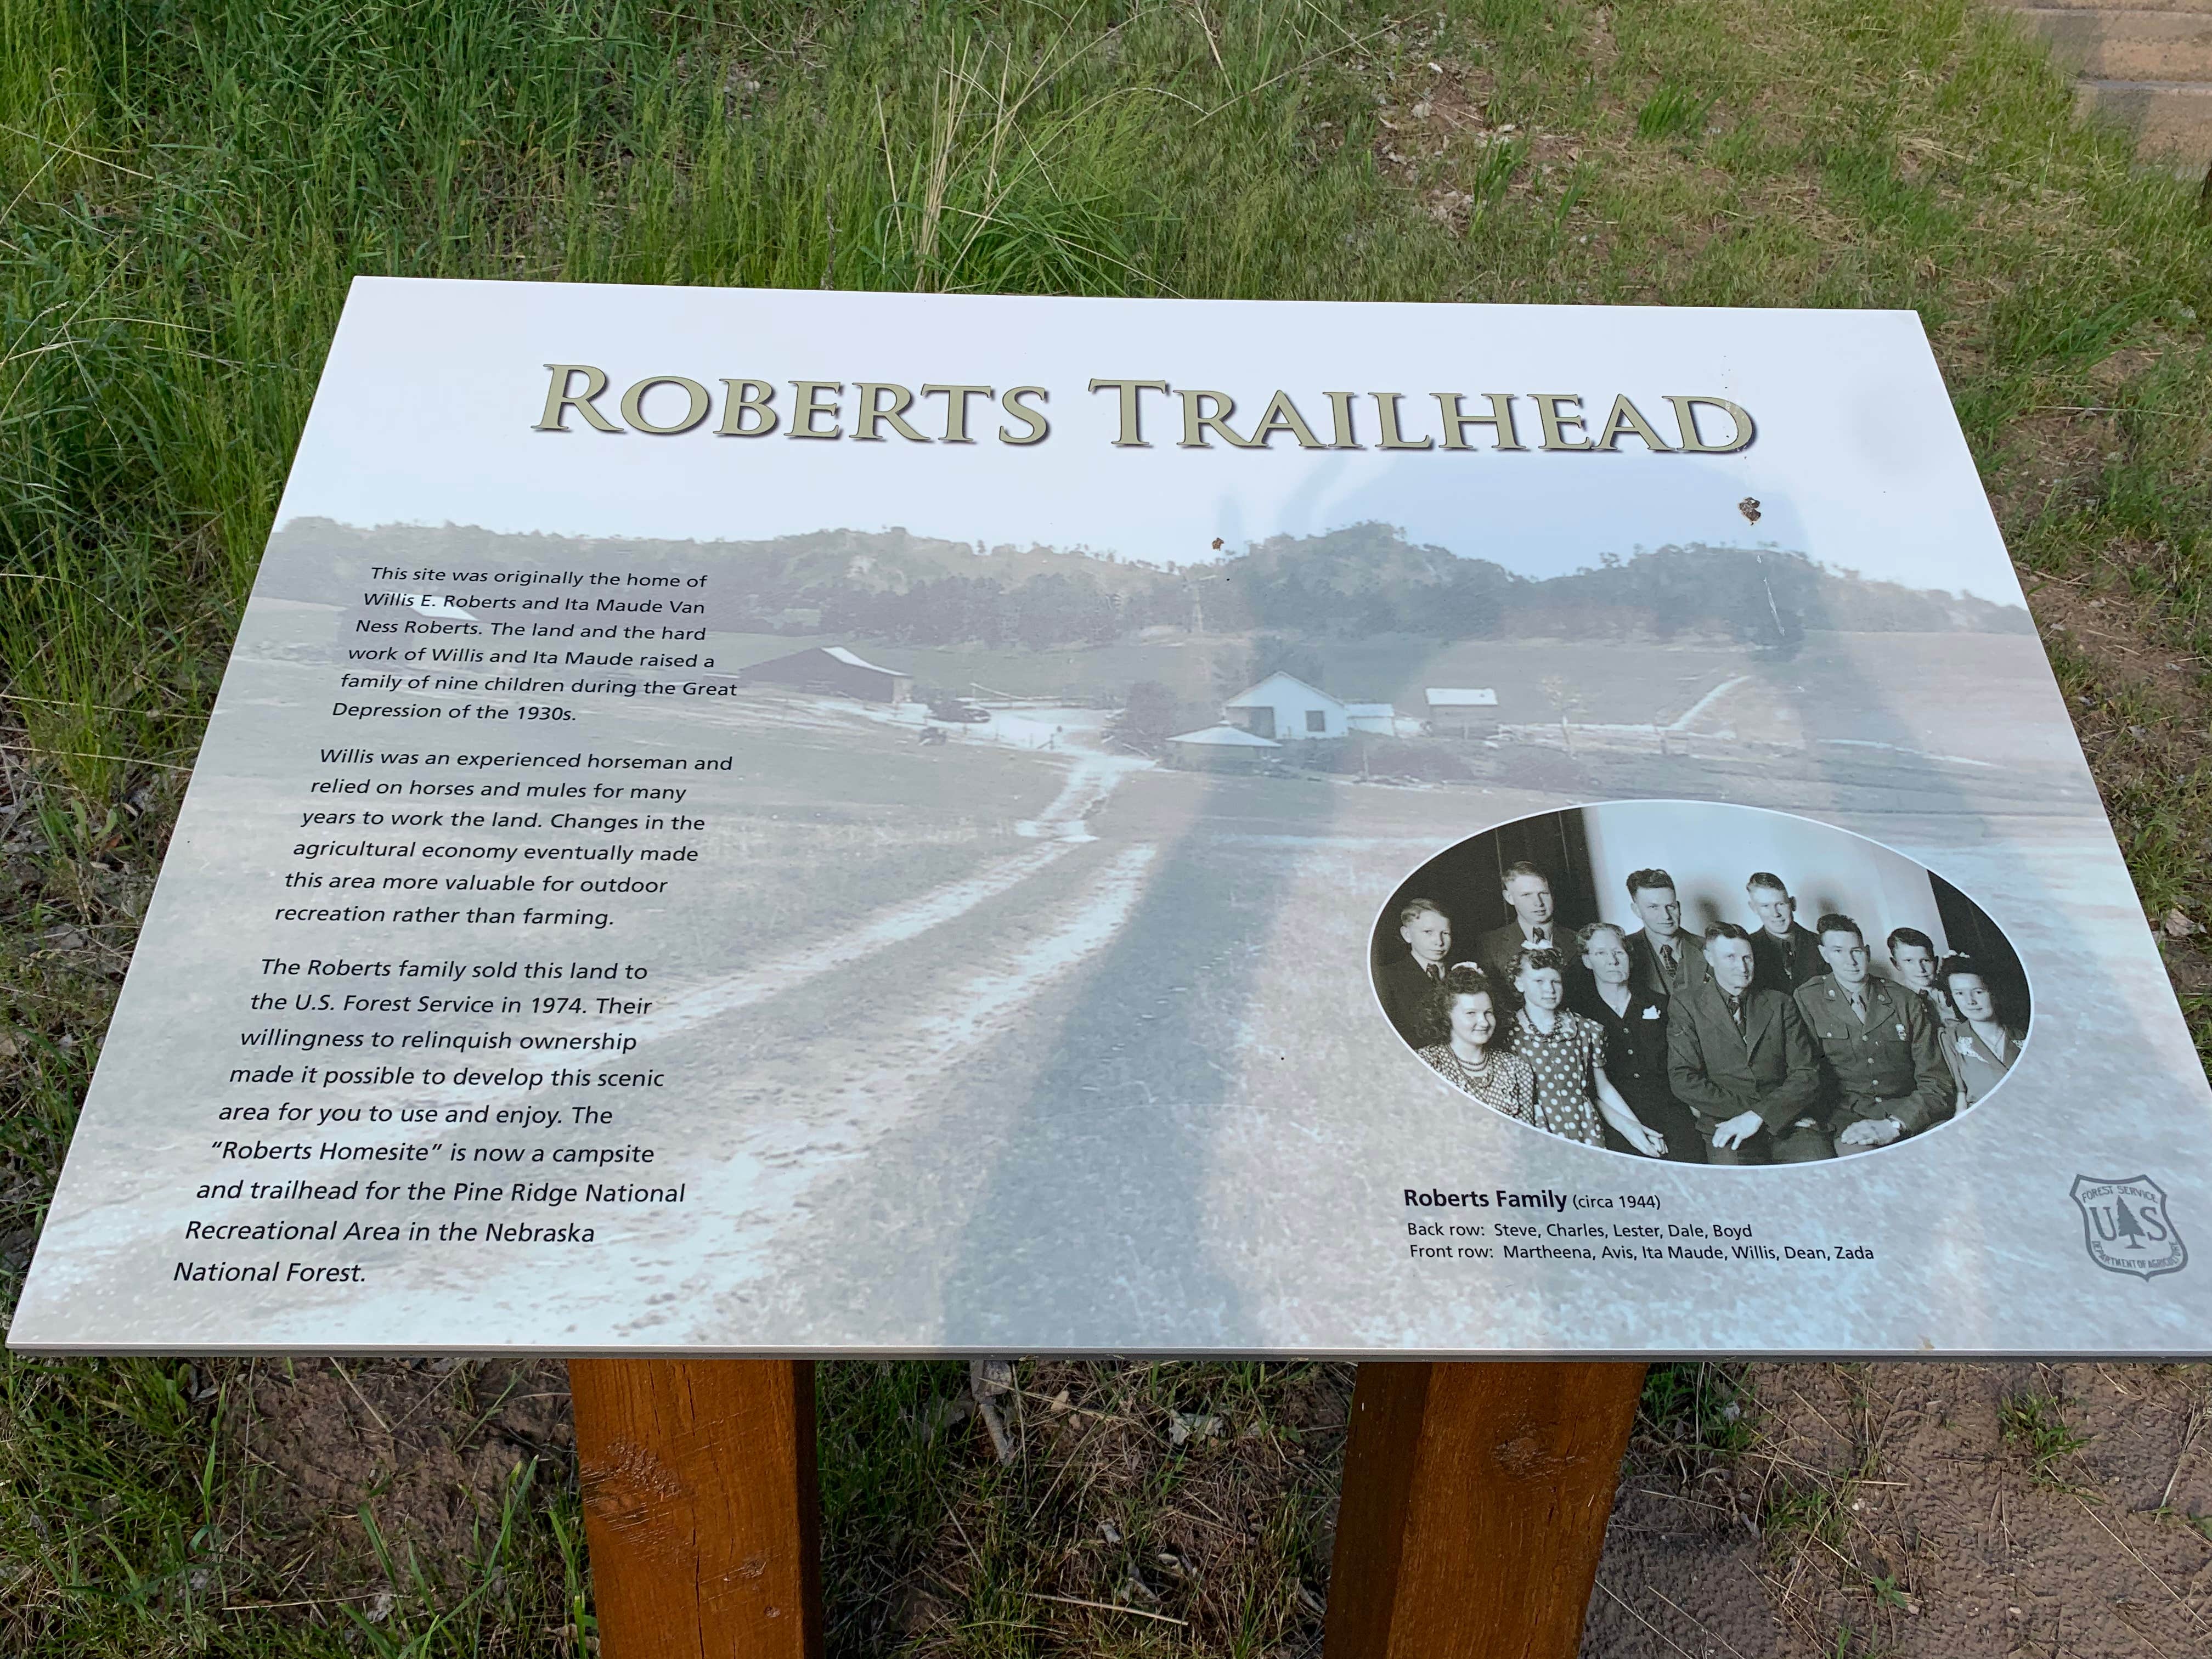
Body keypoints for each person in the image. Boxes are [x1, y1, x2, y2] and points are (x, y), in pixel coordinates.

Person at [1667, 922, 1830, 1164]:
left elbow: (1806, 1073)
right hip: (1727, 1124)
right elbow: (1683, 1079)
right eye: (1730, 957)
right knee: (1738, 1190)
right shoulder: (1687, 1005)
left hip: (1788, 1126)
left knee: (1820, 1173)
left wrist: (1761, 1116)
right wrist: (1760, 1113)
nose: (1742, 967)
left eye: (1747, 958)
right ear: (1710, 958)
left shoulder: (1780, 1003)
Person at [1793, 914, 1954, 1151]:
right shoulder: (1808, 999)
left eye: (1856, 951)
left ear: (1867, 952)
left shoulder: (1904, 999)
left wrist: (1896, 1124)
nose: (1851, 961)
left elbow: (1936, 1079)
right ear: (1824, 954)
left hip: (1910, 1112)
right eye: (1838, 951)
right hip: (1850, 1119)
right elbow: (1804, 1071)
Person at [1510, 946, 1668, 1155]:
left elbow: (1603, 1089)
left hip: (1584, 1129)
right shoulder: (1510, 1033)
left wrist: (1636, 1128)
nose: (1550, 989)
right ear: (1520, 983)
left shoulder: (1584, 1029)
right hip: (1535, 1130)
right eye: (1539, 981)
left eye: (1555, 981)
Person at [1571, 922, 1705, 1163]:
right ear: (1587, 961)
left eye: (1618, 952)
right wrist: (1630, 1127)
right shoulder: (1580, 1016)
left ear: (1629, 958)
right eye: (1601, 953)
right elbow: (1591, 1088)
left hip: (1672, 1113)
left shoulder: (1663, 1005)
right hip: (1617, 1119)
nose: (1612, 960)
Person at [1414, 966, 1538, 1124]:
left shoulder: (1516, 1068)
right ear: (1446, 1015)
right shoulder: (1427, 1064)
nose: (1484, 1022)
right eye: (1471, 1013)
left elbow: (1526, 1136)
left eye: (1488, 1013)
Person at [1938, 956, 2025, 1111]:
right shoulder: (1951, 1039)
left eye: (1978, 992)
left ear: (1993, 992)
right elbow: (1961, 1099)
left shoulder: (2023, 1037)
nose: (1970, 1001)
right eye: (1959, 994)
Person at [1377, 898, 1454, 1046]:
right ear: (1407, 935)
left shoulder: (1463, 971)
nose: (1439, 942)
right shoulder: (1386, 978)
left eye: (1445, 933)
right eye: (1428, 932)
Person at [1622, 867, 1706, 1000]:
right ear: (1637, 910)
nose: (1666, 916)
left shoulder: (1708, 947)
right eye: (1654, 907)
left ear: (1678, 907)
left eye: (1671, 906)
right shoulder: (1623, 952)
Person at [1476, 861, 1565, 982]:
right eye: (1527, 895)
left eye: (1544, 894)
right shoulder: (1490, 945)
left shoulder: (1577, 940)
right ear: (1509, 898)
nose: (1538, 903)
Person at [1745, 871, 1824, 994]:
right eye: (1765, 906)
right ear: (1754, 908)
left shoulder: (1822, 944)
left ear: (1793, 904)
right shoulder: (1747, 949)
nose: (1775, 914)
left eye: (1781, 904)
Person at [1885, 927, 1955, 1028]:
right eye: (1909, 961)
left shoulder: (1953, 990)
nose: (1920, 969)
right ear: (1896, 964)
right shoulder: (1898, 1002)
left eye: (1926, 960)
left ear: (1935, 961)